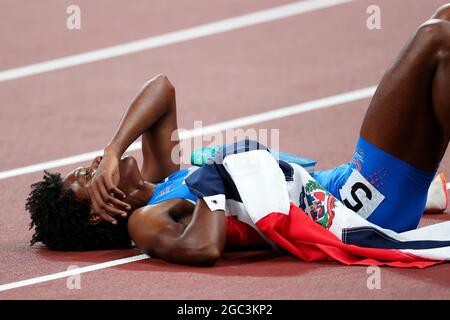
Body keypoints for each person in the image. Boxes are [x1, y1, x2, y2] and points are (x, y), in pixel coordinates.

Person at [26, 5, 450, 266]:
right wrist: (217, 177)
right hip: (360, 207)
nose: (97, 164)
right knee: (437, 40)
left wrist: (115, 147)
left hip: (347, 184)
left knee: (444, 22)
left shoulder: (161, 176)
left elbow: (162, 88)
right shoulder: (146, 219)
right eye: (88, 176)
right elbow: (203, 248)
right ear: (101, 212)